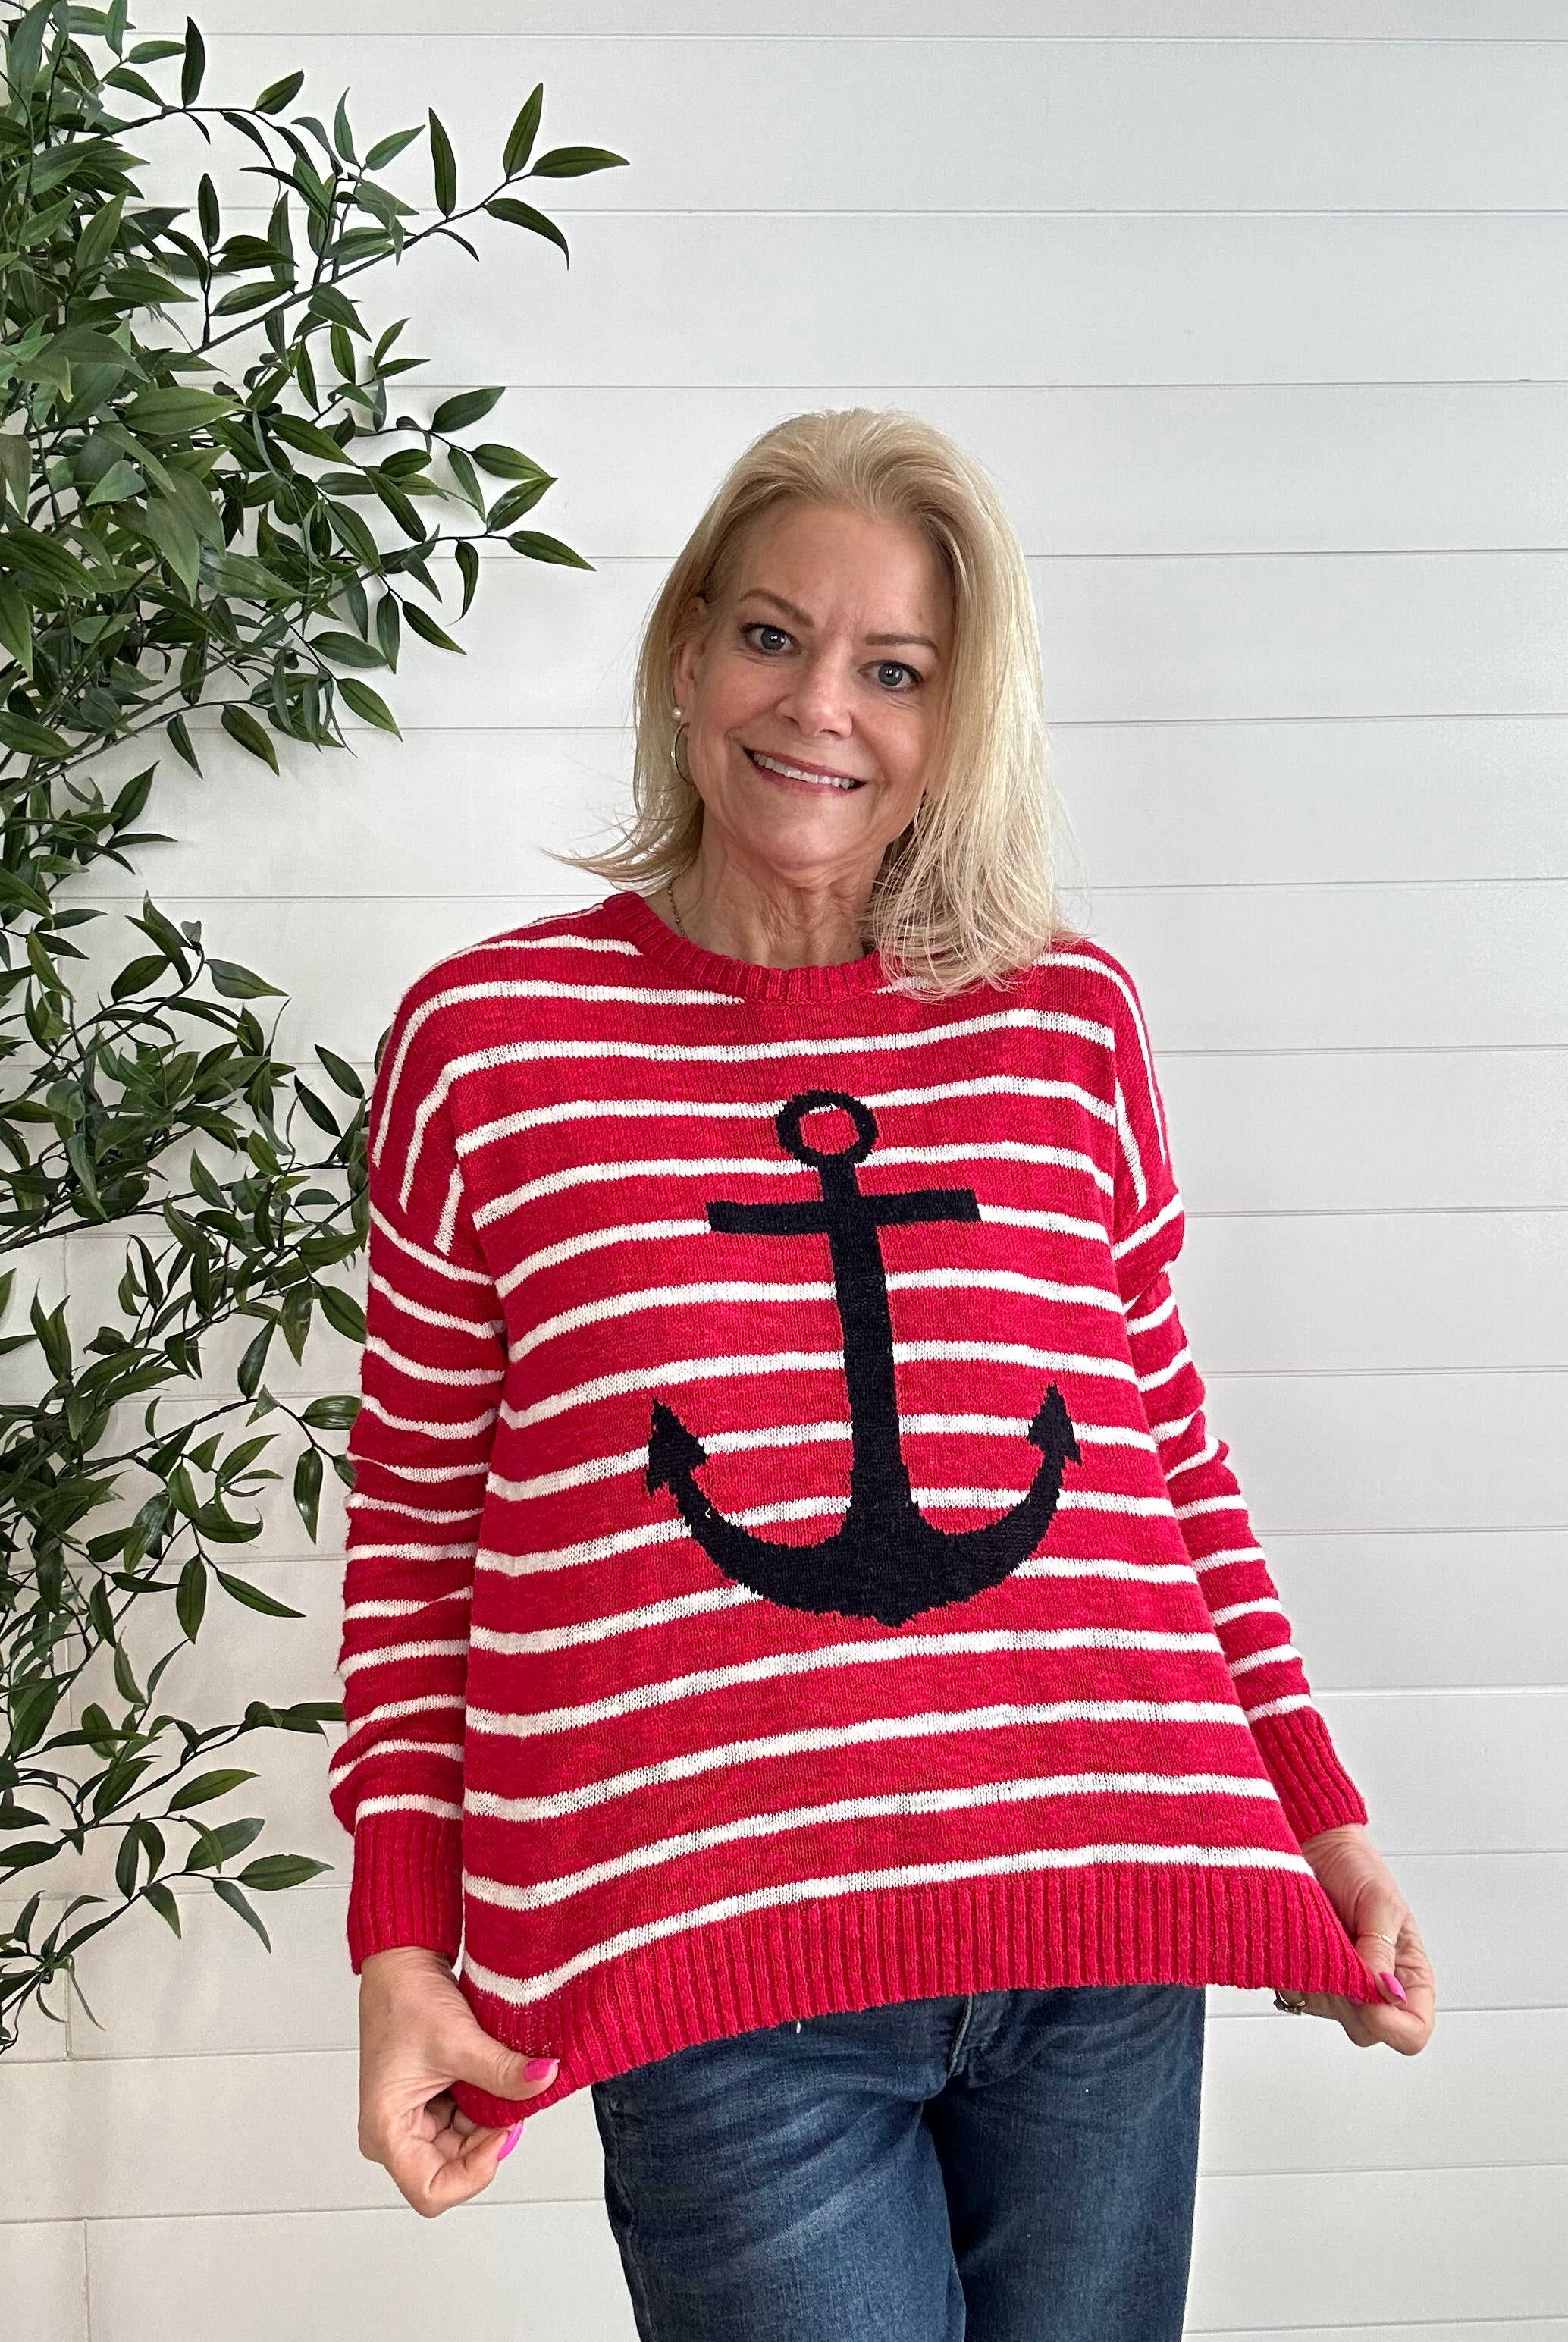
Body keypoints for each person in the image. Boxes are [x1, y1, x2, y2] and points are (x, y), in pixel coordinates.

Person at [337, 409, 1435, 2339]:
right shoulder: (488, 1046)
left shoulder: (1064, 1020)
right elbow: (420, 1530)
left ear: (957, 712)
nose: (819, 706)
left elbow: (1159, 1464)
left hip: (1094, 1938)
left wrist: (1309, 1808)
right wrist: (400, 1935)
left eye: (896, 668)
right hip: (719, 1981)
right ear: (686, 646)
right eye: (771, 635)